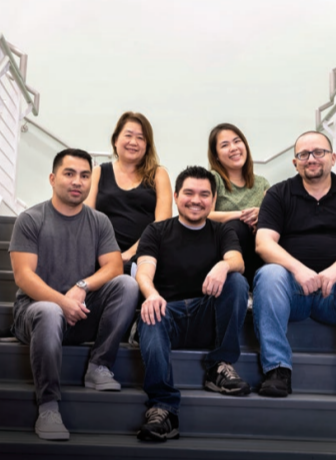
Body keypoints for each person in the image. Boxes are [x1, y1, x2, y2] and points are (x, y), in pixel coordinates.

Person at [9, 149, 139, 441]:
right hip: (35, 313)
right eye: (69, 174)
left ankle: (99, 366)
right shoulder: (30, 219)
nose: (77, 181)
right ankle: (48, 406)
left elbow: (115, 266)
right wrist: (61, 301)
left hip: (79, 312)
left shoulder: (99, 221)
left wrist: (81, 287)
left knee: (128, 285)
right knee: (50, 311)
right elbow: (23, 276)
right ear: (53, 179)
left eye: (84, 175)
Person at [253, 131, 336, 402]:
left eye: (319, 152)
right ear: (295, 162)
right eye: (303, 154)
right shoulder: (278, 194)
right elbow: (264, 244)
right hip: (292, 293)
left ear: (333, 158)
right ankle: (277, 369)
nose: (311, 159)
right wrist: (299, 270)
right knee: (269, 273)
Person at [135, 166, 250, 442]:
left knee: (236, 281)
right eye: (188, 193)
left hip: (205, 316)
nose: (196, 200)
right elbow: (143, 271)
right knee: (149, 313)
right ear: (176, 196)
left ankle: (218, 366)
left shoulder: (222, 231)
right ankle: (163, 407)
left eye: (204, 194)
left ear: (212, 200)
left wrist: (224, 265)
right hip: (166, 314)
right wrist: (151, 294)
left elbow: (238, 261)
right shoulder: (157, 231)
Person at [85, 111, 172, 276]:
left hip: (145, 256)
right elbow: (87, 219)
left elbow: (162, 224)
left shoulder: (159, 174)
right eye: (128, 135)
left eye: (140, 138)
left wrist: (130, 253)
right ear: (116, 140)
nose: (134, 142)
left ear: (147, 145)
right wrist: (109, 256)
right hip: (102, 255)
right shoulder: (98, 172)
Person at [208, 123, 269, 286]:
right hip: (225, 249)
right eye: (225, 145)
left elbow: (274, 215)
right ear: (216, 156)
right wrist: (243, 215)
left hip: (256, 249)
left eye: (237, 141)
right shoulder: (213, 178)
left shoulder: (261, 183)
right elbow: (206, 214)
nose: (233, 148)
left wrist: (260, 214)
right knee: (237, 227)